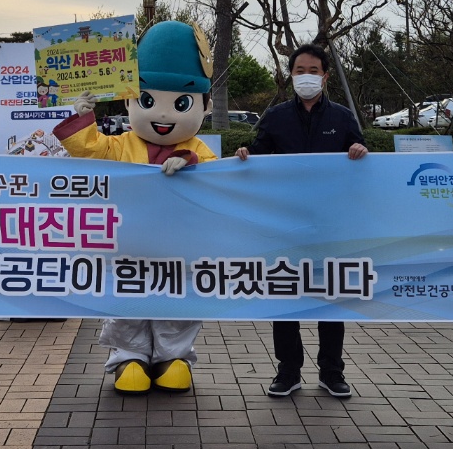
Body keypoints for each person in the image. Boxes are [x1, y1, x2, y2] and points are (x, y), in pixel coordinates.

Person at [53, 20, 218, 395]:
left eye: (181, 104)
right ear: (130, 100)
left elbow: (215, 180)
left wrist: (190, 163)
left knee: (177, 300)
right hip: (125, 243)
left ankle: (172, 357)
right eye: (147, 100)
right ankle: (129, 357)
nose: (163, 116)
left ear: (203, 105)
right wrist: (82, 116)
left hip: (180, 247)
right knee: (125, 297)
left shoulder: (199, 149)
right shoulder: (120, 145)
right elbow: (88, 149)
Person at [236, 43, 368, 399]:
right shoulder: (276, 117)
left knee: (330, 296)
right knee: (285, 295)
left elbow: (361, 156)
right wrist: (247, 154)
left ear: (325, 76)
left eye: (313, 71)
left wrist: (359, 151)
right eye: (299, 71)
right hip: (285, 223)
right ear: (289, 75)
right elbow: (260, 157)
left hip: (330, 224)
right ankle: (288, 371)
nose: (306, 77)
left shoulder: (341, 117)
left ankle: (332, 371)